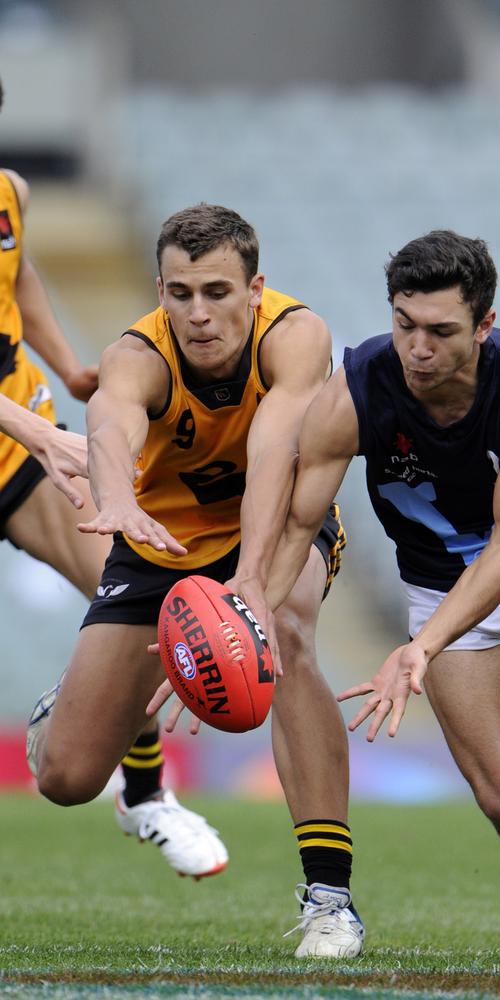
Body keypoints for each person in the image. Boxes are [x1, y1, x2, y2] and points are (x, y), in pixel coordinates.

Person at [264, 229, 500, 960]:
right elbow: (297, 522)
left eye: (440, 331)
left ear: (484, 326)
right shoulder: (354, 391)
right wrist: (244, 616)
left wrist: (422, 646)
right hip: (439, 582)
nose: (417, 348)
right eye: (404, 324)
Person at [28, 203, 364, 958]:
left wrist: (249, 584)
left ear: (255, 288)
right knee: (68, 778)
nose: (198, 312)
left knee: (291, 633)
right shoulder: (135, 353)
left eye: (216, 291)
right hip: (158, 540)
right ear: (160, 290)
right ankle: (76, 704)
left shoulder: (296, 335)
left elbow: (276, 454)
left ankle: (330, 900)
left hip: (272, 528)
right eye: (179, 293)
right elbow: (110, 426)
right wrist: (115, 498)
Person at [0, 77, 221, 880]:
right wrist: (40, 433)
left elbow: (17, 275)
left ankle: (144, 792)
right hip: (21, 433)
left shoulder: (8, 193)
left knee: (133, 590)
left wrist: (70, 370)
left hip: (16, 438)